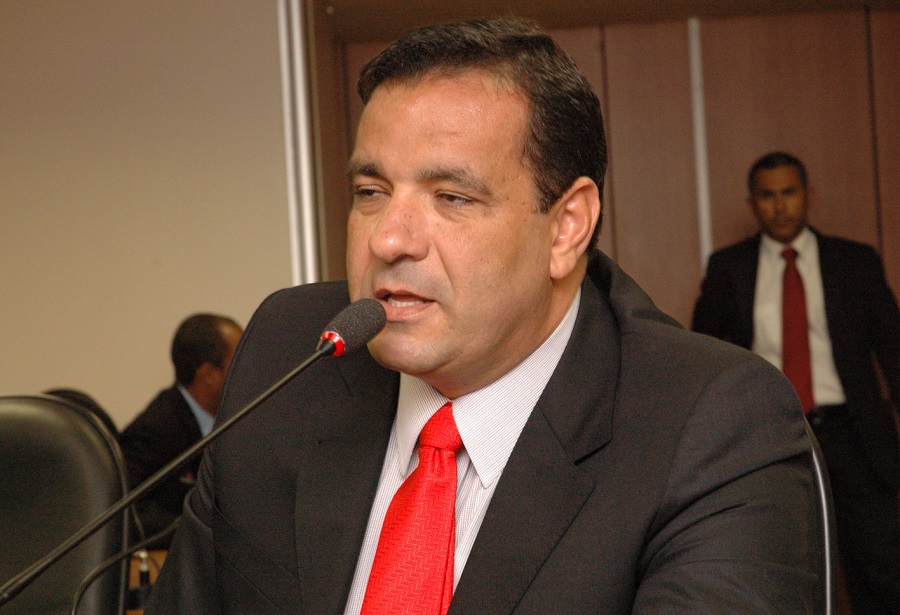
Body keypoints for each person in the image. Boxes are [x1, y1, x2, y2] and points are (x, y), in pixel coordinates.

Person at [147, 19, 822, 613]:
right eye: (370, 191)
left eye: (451, 197)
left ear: (567, 226)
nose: (389, 239)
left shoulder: (709, 425)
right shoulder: (291, 355)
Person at [692, 151, 900, 615]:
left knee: (880, 572)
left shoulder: (855, 262)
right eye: (767, 196)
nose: (780, 206)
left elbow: (893, 350)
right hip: (768, 436)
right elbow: (704, 356)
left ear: (808, 196)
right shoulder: (729, 268)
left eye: (789, 193)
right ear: (752, 203)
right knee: (781, 568)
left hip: (855, 437)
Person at [118, 313, 243, 548]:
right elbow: (124, 509)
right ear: (209, 375)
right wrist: (197, 534)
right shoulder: (156, 428)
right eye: (239, 364)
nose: (249, 375)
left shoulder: (235, 423)